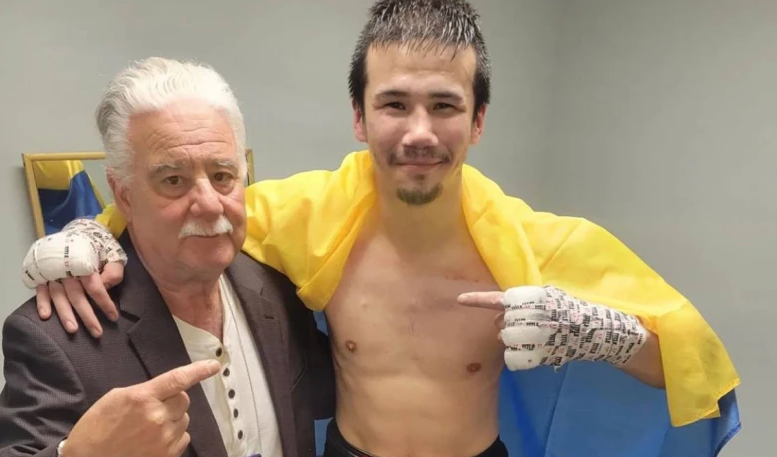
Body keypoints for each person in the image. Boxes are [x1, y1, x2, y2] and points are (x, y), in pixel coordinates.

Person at [20, 1, 741, 456]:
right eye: (394, 104)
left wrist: (604, 333)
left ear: (477, 120)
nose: (418, 131)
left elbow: (693, 362)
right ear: (360, 118)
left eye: (444, 105)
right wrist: (88, 237)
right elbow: (192, 214)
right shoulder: (305, 216)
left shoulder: (538, 244)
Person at [2, 57, 335, 457]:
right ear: (123, 194)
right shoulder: (57, 337)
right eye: (173, 180)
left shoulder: (278, 287)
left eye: (222, 176)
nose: (209, 204)